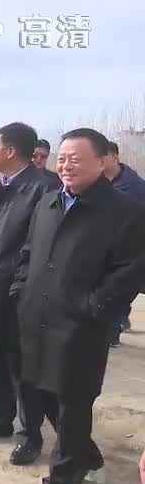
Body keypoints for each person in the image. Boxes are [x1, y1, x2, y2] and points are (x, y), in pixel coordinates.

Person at [11, 128, 145, 484]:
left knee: (73, 403)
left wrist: (92, 307)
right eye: (62, 158)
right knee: (39, 392)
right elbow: (28, 252)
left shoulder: (125, 212)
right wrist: (20, 290)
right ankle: (84, 454)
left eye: (76, 159)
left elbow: (130, 272)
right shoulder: (48, 203)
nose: (66, 166)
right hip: (36, 317)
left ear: (102, 163)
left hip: (81, 327)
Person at [0, 122, 57, 466]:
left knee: (22, 368)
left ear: (10, 151)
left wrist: (21, 287)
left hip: (17, 293)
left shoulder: (43, 189)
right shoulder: (2, 185)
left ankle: (30, 434)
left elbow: (41, 249)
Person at [102, 140, 145, 346]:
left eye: (104, 156)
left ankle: (112, 334)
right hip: (105, 245)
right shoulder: (99, 180)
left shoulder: (133, 186)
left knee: (118, 288)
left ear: (115, 158)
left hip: (129, 247)